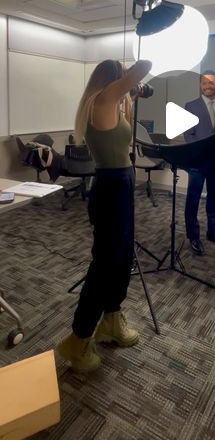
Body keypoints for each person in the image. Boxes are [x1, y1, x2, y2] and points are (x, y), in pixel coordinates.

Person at [57, 58, 151, 373]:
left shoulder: (112, 104)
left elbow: (123, 136)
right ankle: (77, 339)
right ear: (113, 79)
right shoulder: (102, 99)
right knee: (104, 268)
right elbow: (145, 65)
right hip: (111, 189)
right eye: (121, 80)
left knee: (122, 260)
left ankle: (111, 321)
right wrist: (129, 74)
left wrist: (130, 98)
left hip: (121, 185)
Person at [184, 70, 215, 256]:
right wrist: (198, 152)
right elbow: (188, 134)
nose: (207, 86)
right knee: (193, 199)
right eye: (204, 83)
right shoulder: (190, 106)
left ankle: (213, 232)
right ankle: (193, 235)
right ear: (200, 85)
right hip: (197, 162)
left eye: (211, 82)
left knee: (214, 198)